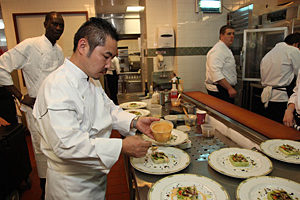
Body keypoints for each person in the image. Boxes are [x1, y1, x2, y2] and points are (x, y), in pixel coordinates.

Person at [32, 17, 158, 200]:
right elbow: (68, 145)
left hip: (94, 178)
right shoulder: (57, 86)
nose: (109, 65)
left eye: (112, 58)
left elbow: (108, 109)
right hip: (71, 187)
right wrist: (121, 146)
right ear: (83, 46)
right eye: (106, 57)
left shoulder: (91, 79)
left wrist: (135, 121)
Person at [0, 11, 64, 199]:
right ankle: (44, 190)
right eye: (54, 24)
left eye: (61, 25)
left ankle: (56, 187)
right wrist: (20, 96)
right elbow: (2, 66)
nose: (58, 28)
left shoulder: (59, 50)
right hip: (37, 110)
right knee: (41, 150)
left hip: (56, 109)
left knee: (57, 149)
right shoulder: (30, 45)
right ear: (45, 24)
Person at [260, 33, 300, 123]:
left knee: (270, 126)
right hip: (282, 98)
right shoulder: (293, 50)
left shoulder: (270, 53)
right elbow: (299, 74)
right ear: (296, 44)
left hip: (267, 97)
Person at [205, 25, 237, 104]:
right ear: (221, 35)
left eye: (233, 34)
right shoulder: (218, 50)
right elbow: (215, 72)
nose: (232, 36)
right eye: (229, 34)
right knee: (223, 114)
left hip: (224, 88)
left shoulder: (225, 49)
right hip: (220, 90)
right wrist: (229, 88)